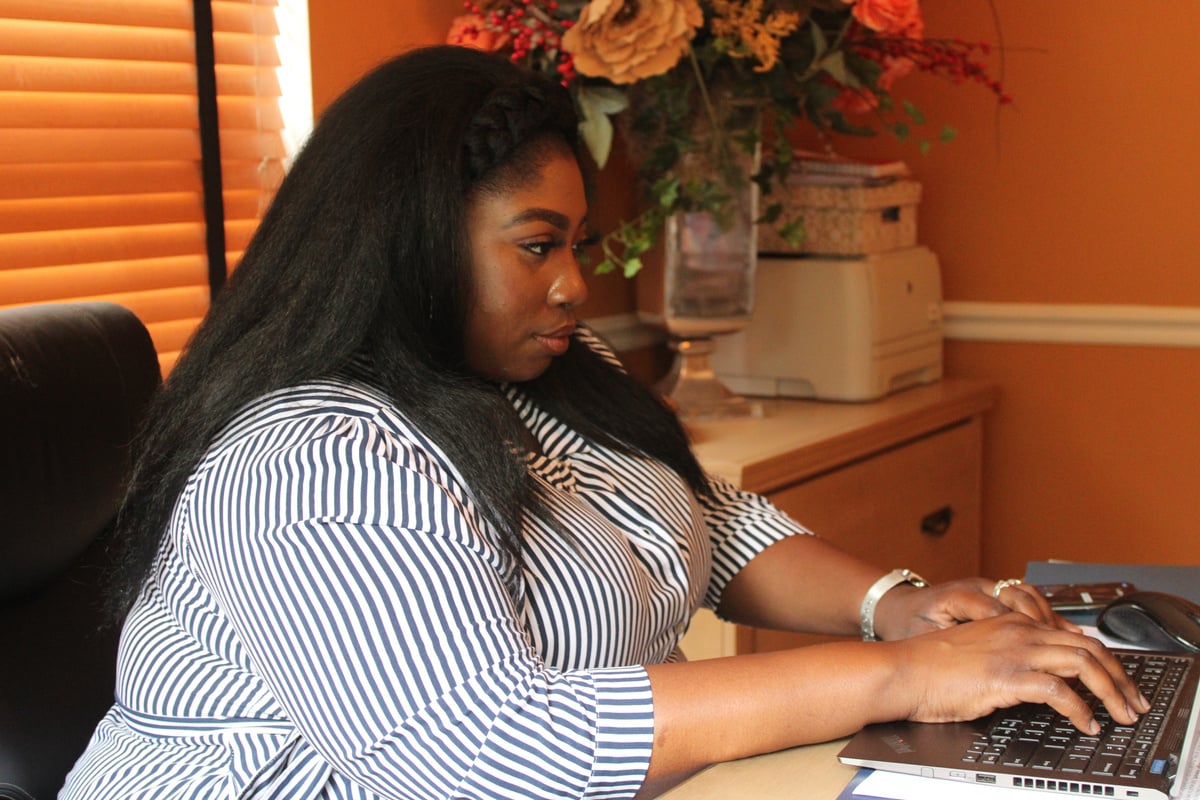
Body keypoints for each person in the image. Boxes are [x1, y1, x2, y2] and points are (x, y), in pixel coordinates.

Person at [62, 45, 1148, 800]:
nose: (577, 284)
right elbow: (483, 753)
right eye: (538, 245)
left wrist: (891, 608)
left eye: (578, 242)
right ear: (407, 239)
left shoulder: (543, 368)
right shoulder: (316, 457)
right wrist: (904, 680)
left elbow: (701, 519)